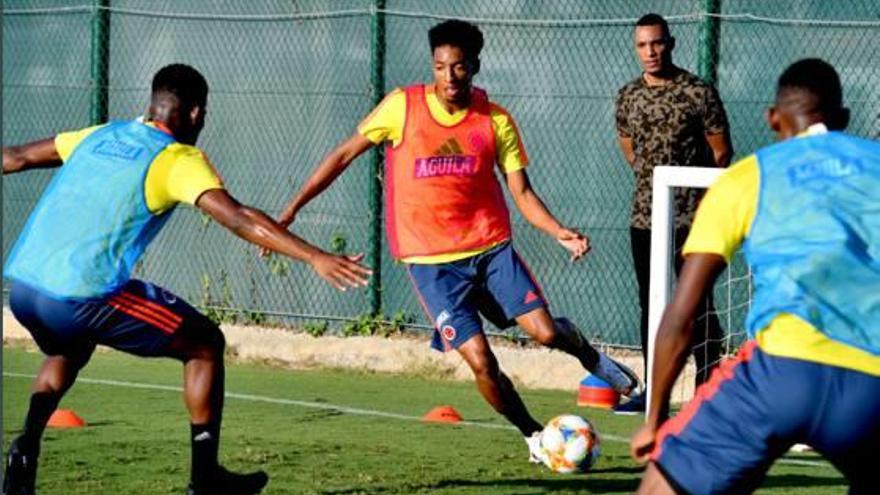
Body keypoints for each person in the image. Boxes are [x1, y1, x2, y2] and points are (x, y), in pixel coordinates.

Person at [270, 19, 641, 464]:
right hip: (432, 265)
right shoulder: (401, 107)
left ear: (475, 67)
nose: (448, 77)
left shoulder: (496, 120)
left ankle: (592, 358)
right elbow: (343, 155)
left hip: (489, 249)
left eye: (458, 67)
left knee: (543, 333)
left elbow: (521, 192)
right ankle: (534, 438)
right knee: (482, 361)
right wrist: (292, 209)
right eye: (440, 67)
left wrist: (556, 229)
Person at [1, 64, 371, 495]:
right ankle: (205, 476)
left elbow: (15, 157)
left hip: (24, 287)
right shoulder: (175, 158)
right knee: (205, 344)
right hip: (81, 295)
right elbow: (238, 217)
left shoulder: (103, 134)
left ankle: (25, 449)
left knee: (70, 347)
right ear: (196, 114)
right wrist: (315, 256)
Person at [630, 58, 880, 494]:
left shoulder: (748, 177)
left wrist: (654, 419)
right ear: (842, 119)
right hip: (872, 386)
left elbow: (682, 315)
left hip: (779, 373)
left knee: (660, 487)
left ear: (772, 118)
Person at [615, 13, 733, 411]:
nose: (650, 52)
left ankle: (707, 390)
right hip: (645, 218)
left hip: (692, 219)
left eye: (657, 43)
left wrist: (703, 201)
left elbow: (721, 151)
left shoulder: (698, 92)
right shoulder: (628, 94)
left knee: (697, 303)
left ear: (671, 43)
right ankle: (654, 394)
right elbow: (629, 148)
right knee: (650, 305)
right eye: (643, 45)